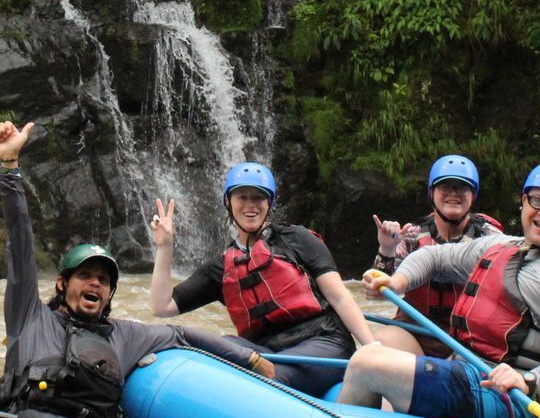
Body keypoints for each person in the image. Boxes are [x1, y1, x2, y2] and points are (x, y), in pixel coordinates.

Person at [0, 120, 275, 418]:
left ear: (109, 294)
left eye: (104, 280)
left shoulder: (123, 335)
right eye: (85, 276)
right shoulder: (28, 315)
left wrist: (250, 357)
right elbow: (20, 240)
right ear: (62, 284)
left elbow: (183, 335)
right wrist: (10, 167)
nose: (95, 284)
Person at [339, 162, 540, 418]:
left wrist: (530, 380)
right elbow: (434, 257)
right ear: (524, 203)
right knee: (376, 349)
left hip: (509, 398)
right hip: (464, 371)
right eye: (537, 201)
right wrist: (398, 281)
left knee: (367, 363)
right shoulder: (501, 246)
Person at [149, 160, 378, 395]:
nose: (251, 205)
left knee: (267, 373)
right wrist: (165, 246)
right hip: (263, 349)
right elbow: (162, 306)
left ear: (269, 203)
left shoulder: (296, 238)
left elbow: (339, 296)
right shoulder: (221, 267)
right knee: (211, 351)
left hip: (323, 340)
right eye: (242, 197)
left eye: (258, 198)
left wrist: (372, 347)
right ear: (228, 202)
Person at [368, 153, 505, 351]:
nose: (453, 193)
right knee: (377, 348)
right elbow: (382, 291)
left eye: (462, 187)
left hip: (468, 339)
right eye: (446, 186)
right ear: (432, 193)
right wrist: (387, 248)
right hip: (414, 333)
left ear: (473, 195)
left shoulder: (490, 237)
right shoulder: (413, 235)